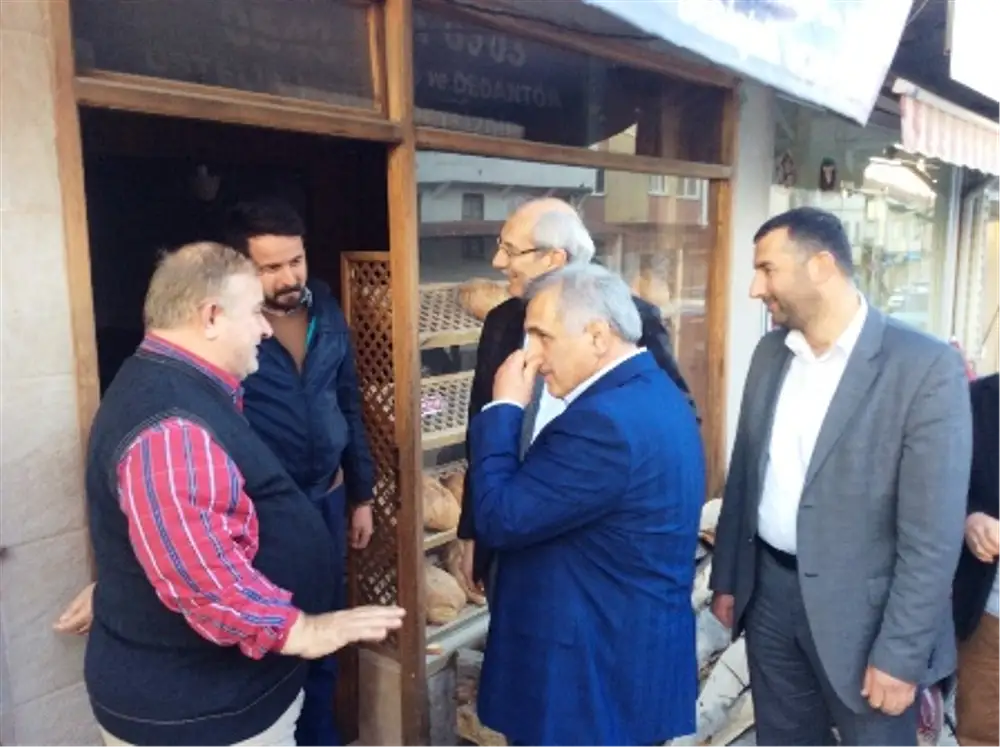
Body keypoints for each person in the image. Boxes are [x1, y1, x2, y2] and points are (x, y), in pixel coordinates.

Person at [59, 199, 377, 747]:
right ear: (210, 316)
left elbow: (180, 528)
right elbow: (197, 572)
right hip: (204, 712)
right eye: (254, 311)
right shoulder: (171, 425)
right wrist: (300, 629)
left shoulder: (189, 383)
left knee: (320, 677)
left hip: (221, 682)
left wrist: (360, 490)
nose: (264, 328)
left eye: (295, 261)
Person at [710, 207, 972, 747]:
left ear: (822, 266)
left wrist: (901, 654)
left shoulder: (922, 367)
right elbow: (746, 474)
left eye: (767, 269)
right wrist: (729, 577)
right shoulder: (770, 353)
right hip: (770, 599)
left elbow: (933, 534)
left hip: (868, 622)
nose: (756, 289)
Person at [468, 264, 704, 747]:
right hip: (620, 665)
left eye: (542, 336)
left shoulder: (604, 423)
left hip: (587, 683)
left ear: (598, 336)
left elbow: (499, 516)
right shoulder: (653, 391)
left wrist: (504, 409)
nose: (531, 354)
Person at [457, 197, 695, 594]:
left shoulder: (628, 318)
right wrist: (472, 529)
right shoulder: (502, 321)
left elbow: (670, 422)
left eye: (510, 250)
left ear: (554, 258)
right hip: (507, 533)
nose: (498, 261)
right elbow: (481, 426)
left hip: (586, 555)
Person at [953, 372, 1000, 747]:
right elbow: (943, 485)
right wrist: (969, 520)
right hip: (989, 617)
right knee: (980, 734)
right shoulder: (976, 401)